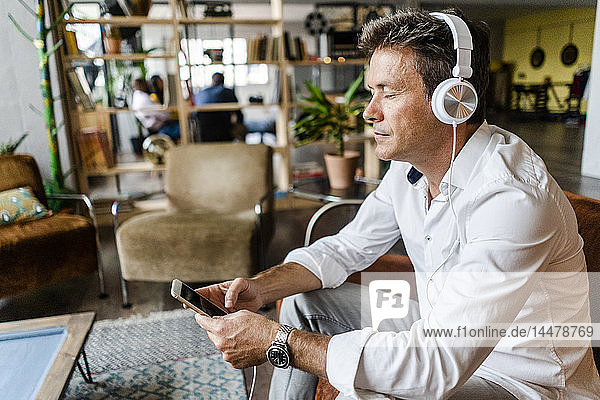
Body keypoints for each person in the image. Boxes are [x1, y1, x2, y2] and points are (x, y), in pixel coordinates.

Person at [192, 9, 600, 399]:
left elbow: (436, 366)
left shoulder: (512, 199)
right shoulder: (412, 171)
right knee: (302, 303)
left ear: (453, 100)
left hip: (521, 379)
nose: (369, 112)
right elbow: (347, 247)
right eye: (372, 92)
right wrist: (259, 288)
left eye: (388, 93)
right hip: (440, 327)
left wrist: (275, 342)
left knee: (368, 394)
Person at [192, 72, 246, 142]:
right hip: (224, 133)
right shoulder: (228, 92)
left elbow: (195, 114)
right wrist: (240, 124)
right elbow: (238, 112)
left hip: (204, 133)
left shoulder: (201, 93)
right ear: (223, 81)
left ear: (212, 81)